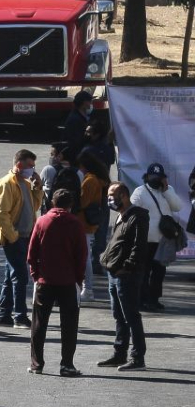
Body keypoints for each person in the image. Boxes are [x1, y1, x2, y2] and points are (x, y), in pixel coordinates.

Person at [26, 188, 87, 377]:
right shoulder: (75, 224)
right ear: (71, 205)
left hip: (45, 280)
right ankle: (67, 364)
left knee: (39, 324)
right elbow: (81, 255)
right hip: (68, 281)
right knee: (69, 325)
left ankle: (37, 364)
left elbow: (31, 253)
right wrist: (79, 278)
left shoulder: (42, 221)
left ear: (52, 202)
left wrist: (36, 275)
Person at [0, 149, 45, 328]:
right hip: (15, 237)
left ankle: (3, 315)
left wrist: (38, 188)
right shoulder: (7, 183)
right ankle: (20, 316)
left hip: (25, 236)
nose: (33, 169)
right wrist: (12, 236)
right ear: (19, 165)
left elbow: (33, 206)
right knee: (20, 276)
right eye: (30, 165)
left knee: (10, 276)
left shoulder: (26, 184)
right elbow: (0, 213)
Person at [98, 182, 149, 370]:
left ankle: (137, 358)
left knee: (131, 316)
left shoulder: (138, 217)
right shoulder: (121, 216)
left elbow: (139, 247)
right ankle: (120, 354)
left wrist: (126, 267)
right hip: (114, 274)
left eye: (113, 194)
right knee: (119, 316)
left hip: (126, 275)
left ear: (124, 195)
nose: (109, 199)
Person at [130, 162, 183, 312]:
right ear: (147, 177)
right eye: (153, 176)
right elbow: (133, 210)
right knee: (144, 271)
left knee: (159, 273)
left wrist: (166, 190)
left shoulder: (168, 190)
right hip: (145, 240)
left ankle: (154, 299)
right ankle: (142, 299)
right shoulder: (140, 191)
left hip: (162, 241)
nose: (156, 179)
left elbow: (178, 207)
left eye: (159, 177)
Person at [77, 151, 111, 301]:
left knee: (84, 257)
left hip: (83, 222)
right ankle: (86, 287)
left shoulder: (90, 180)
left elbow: (82, 202)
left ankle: (87, 289)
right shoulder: (98, 179)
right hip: (89, 223)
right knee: (85, 255)